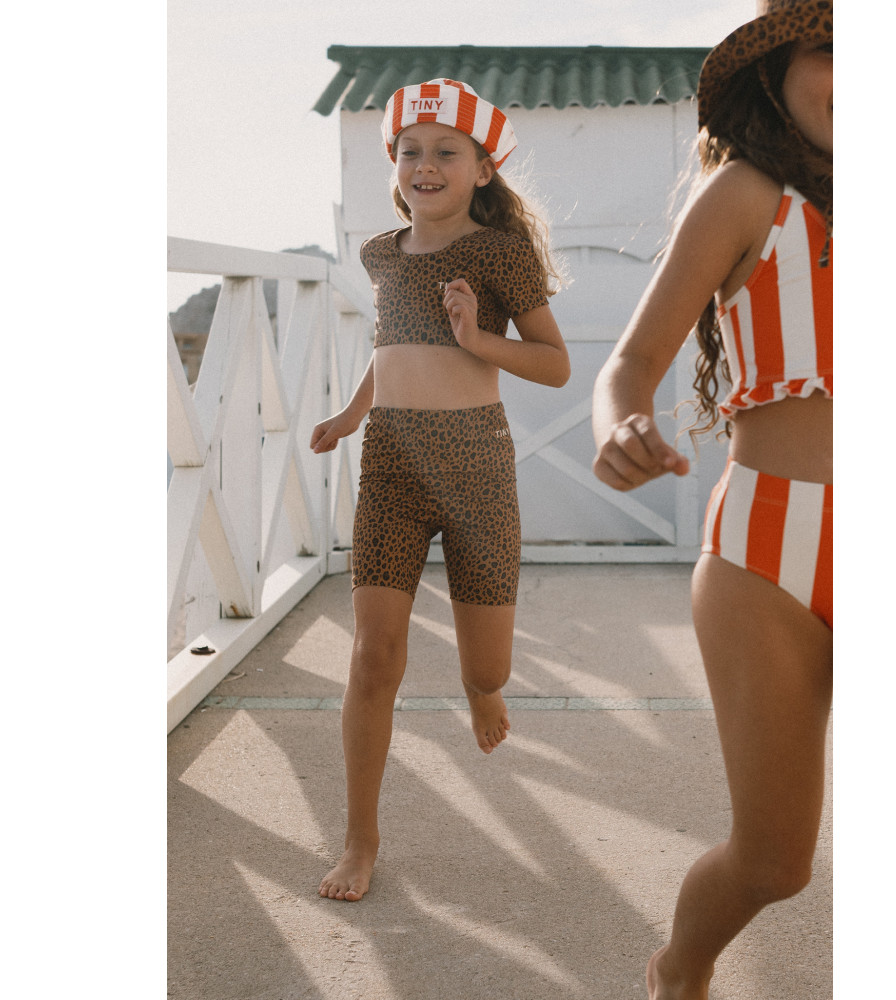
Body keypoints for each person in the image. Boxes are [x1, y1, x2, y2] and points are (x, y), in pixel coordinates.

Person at [591, 2, 833, 996]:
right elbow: (630, 364)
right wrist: (619, 424)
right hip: (765, 555)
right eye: (833, 50)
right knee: (775, 862)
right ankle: (679, 967)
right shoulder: (746, 195)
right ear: (775, 71)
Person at [311, 78, 570, 902]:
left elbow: (556, 365)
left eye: (445, 152)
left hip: (475, 466)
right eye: (410, 151)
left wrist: (477, 336)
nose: (425, 165)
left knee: (490, 667)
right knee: (372, 656)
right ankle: (360, 839)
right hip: (391, 463)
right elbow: (389, 348)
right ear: (395, 165)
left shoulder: (500, 254)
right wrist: (351, 415)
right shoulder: (382, 254)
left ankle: (479, 686)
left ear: (483, 169)